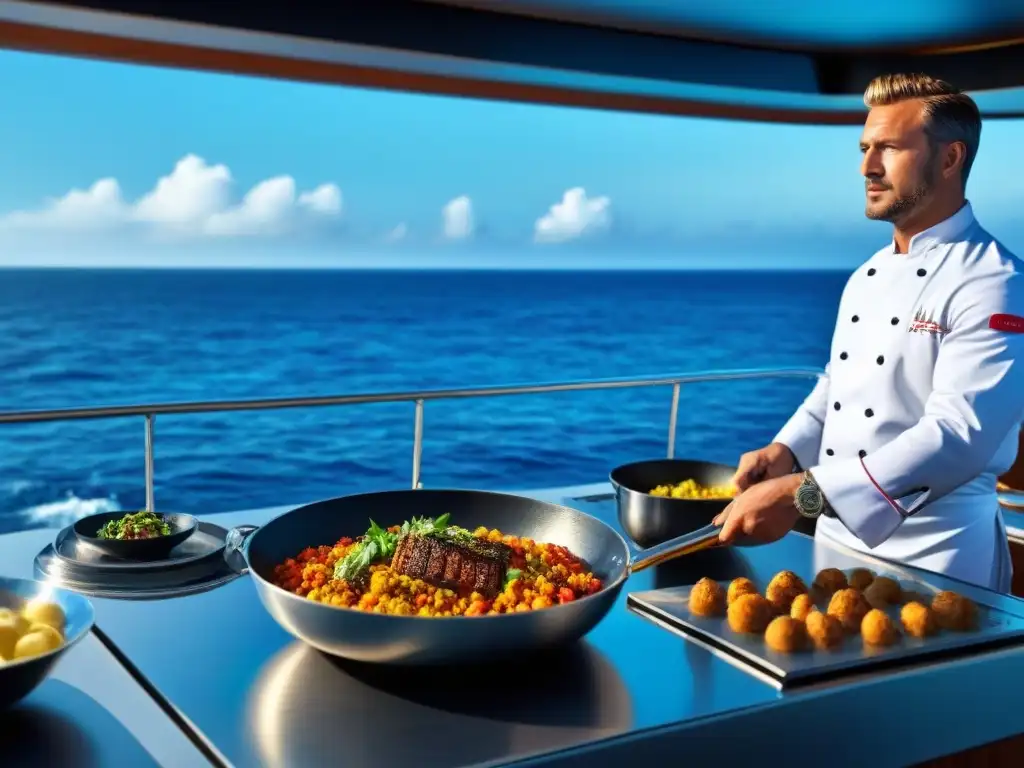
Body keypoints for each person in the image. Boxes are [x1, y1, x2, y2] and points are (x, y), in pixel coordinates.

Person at [714, 73, 1024, 592]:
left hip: (938, 565)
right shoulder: (865, 276)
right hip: (836, 549)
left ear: (949, 159)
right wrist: (786, 451)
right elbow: (838, 386)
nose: (866, 167)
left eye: (889, 149)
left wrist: (800, 496)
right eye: (864, 148)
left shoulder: (996, 282)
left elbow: (958, 437)